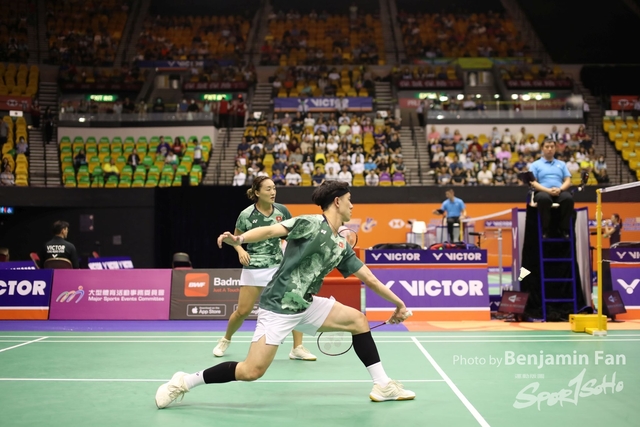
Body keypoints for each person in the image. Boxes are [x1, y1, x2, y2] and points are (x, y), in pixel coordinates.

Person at [155, 181, 416, 409]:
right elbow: (271, 231)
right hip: (278, 305)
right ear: (337, 202)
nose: (352, 206)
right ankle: (184, 381)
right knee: (251, 371)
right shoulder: (310, 223)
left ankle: (383, 385)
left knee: (358, 320)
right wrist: (240, 239)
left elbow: (369, 279)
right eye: (349, 200)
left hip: (305, 305)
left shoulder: (341, 245)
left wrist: (399, 304)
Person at [212, 176, 316, 361]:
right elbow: (236, 239)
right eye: (268, 189)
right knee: (243, 311)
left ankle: (297, 348)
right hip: (254, 266)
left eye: (274, 188)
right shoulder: (246, 215)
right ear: (257, 193)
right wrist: (240, 251)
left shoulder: (282, 211)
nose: (273, 192)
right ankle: (225, 339)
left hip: (278, 266)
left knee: (293, 305)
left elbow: (292, 235)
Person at [529, 140, 574, 239]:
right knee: (544, 198)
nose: (550, 149)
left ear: (555, 148)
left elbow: (568, 180)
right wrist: (548, 190)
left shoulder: (562, 164)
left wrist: (560, 189)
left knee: (568, 198)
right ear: (542, 148)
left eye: (552, 146)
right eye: (547, 147)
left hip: (559, 192)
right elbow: (533, 182)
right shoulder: (535, 165)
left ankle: (564, 229)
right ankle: (545, 229)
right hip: (542, 192)